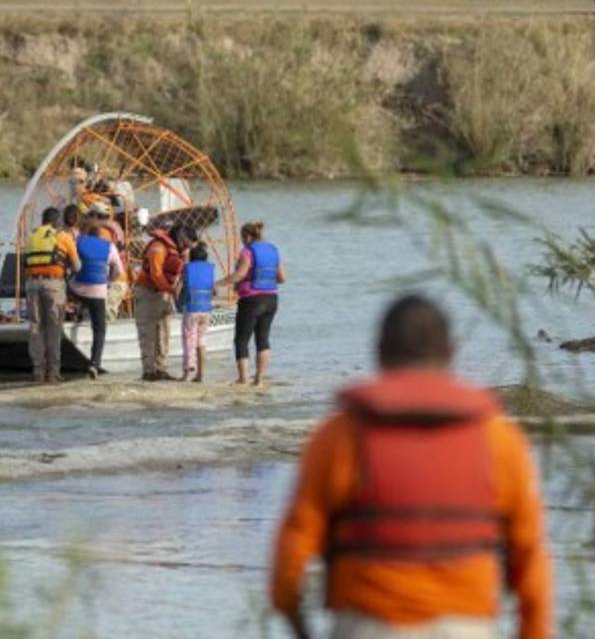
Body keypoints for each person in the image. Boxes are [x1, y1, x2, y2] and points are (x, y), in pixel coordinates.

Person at [270, 295, 551, 639]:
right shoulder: (499, 438)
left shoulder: (341, 436)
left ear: (379, 352)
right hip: (467, 625)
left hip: (367, 624)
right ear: (451, 352)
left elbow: (293, 547)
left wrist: (299, 626)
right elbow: (531, 557)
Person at [220, 221, 285, 386]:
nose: (242, 241)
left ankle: (243, 379)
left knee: (241, 340)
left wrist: (219, 283)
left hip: (251, 300)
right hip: (271, 299)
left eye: (243, 238)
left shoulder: (248, 251)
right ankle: (259, 379)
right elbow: (282, 278)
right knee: (263, 339)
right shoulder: (274, 250)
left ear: (247, 236)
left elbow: (240, 274)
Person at [23, 206, 80, 384]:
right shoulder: (62, 236)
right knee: (54, 327)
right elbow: (77, 266)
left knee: (36, 327)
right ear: (57, 222)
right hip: (53, 284)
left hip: (32, 284)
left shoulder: (30, 237)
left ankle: (38, 371)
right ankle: (54, 373)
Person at [134, 223, 196, 381]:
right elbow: (156, 274)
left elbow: (183, 271)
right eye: (186, 245)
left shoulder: (181, 251)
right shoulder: (158, 247)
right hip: (148, 291)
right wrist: (171, 290)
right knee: (147, 333)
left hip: (165, 293)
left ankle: (160, 369)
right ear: (180, 239)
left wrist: (178, 290)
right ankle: (149, 372)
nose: (186, 250)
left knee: (164, 332)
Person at [69, 205, 123, 378]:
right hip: (98, 291)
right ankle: (94, 364)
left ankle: (75, 313)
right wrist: (108, 281)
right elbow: (118, 271)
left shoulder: (78, 241)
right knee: (99, 329)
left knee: (72, 287)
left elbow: (71, 264)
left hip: (77, 289)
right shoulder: (109, 247)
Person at [176, 242, 215, 382]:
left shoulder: (187, 268)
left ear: (191, 258)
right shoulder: (210, 269)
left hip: (191, 309)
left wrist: (177, 303)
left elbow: (177, 288)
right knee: (201, 341)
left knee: (188, 339)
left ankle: (187, 374)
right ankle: (201, 375)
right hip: (206, 310)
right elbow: (213, 290)